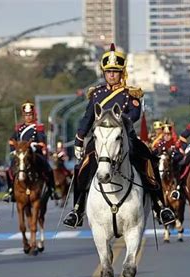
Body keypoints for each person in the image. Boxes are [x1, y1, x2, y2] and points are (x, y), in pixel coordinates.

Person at [62, 43, 175, 228]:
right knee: (82, 167)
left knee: (149, 161)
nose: (112, 75)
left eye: (115, 71)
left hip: (124, 138)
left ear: (122, 73)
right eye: (109, 71)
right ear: (104, 73)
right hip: (100, 140)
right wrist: (79, 139)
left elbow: (135, 114)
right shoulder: (97, 94)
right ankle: (77, 209)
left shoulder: (130, 94)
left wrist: (120, 121)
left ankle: (159, 206)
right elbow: (87, 118)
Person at [3, 101, 59, 202]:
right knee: (9, 169)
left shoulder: (38, 127)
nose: (28, 117)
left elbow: (42, 143)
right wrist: (13, 151)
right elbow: (11, 141)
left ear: (33, 115)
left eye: (30, 114)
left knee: (48, 168)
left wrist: (33, 146)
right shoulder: (19, 128)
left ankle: (52, 189)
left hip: (34, 154)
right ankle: (10, 190)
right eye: (26, 115)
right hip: (21, 154)